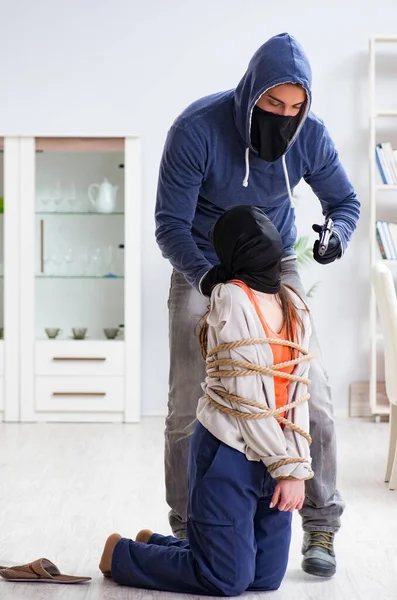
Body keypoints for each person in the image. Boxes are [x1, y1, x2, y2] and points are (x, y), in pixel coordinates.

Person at [154, 31, 360, 577]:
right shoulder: (196, 129)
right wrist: (210, 276)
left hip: (275, 267)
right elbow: (169, 225)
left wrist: (337, 233)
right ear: (251, 92)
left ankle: (320, 524)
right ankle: (187, 526)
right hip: (202, 263)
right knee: (186, 405)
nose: (284, 116)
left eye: (295, 107)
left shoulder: (309, 135)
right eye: (274, 104)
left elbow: (345, 202)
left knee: (311, 398)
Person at [99, 206, 313, 596]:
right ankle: (123, 554)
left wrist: (294, 467)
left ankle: (159, 545)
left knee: (264, 578)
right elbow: (247, 400)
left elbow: (299, 396)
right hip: (228, 452)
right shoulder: (231, 298)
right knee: (227, 580)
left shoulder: (294, 305)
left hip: (275, 453)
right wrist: (285, 467)